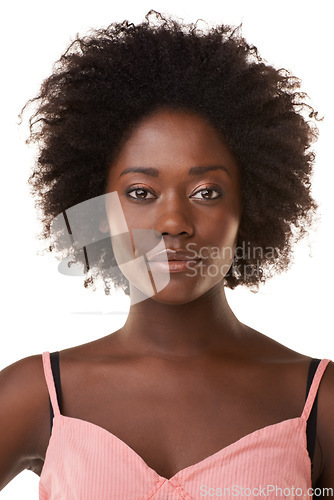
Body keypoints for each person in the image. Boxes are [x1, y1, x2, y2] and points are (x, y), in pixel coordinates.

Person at [0, 10, 333, 498]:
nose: (173, 222)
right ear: (99, 208)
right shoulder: (39, 394)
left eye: (206, 192)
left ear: (252, 205)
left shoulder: (318, 403)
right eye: (140, 192)